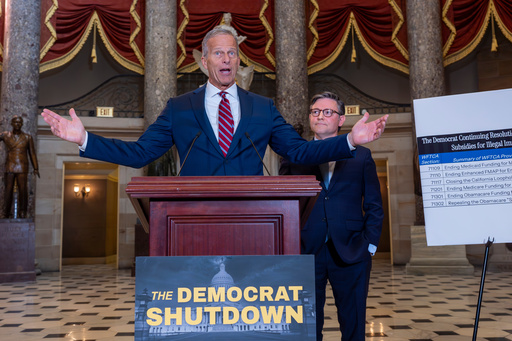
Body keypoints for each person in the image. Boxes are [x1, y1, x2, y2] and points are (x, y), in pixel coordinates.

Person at [41, 26, 388, 176]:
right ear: (203, 61)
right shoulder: (179, 109)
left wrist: (350, 140)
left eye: (232, 54)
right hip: (194, 213)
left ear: (239, 62)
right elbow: (140, 153)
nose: (225, 59)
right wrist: (83, 139)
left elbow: (298, 151)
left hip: (253, 216)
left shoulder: (263, 109)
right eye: (217, 53)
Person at [279, 92, 383, 341]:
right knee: (306, 326)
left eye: (327, 112)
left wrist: (369, 246)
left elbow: (374, 205)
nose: (320, 116)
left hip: (352, 251)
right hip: (305, 251)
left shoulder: (362, 156)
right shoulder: (294, 155)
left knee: (353, 323)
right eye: (315, 111)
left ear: (341, 120)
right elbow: (283, 205)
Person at [1, 116, 40, 219]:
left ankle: (22, 211)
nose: (18, 124)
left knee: (23, 190)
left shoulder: (27, 137)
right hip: (10, 166)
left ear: (22, 124)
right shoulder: (5, 135)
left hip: (22, 166)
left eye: (20, 123)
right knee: (8, 190)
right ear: (12, 123)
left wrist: (36, 167)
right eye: (16, 122)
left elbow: (32, 154)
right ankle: (6, 212)